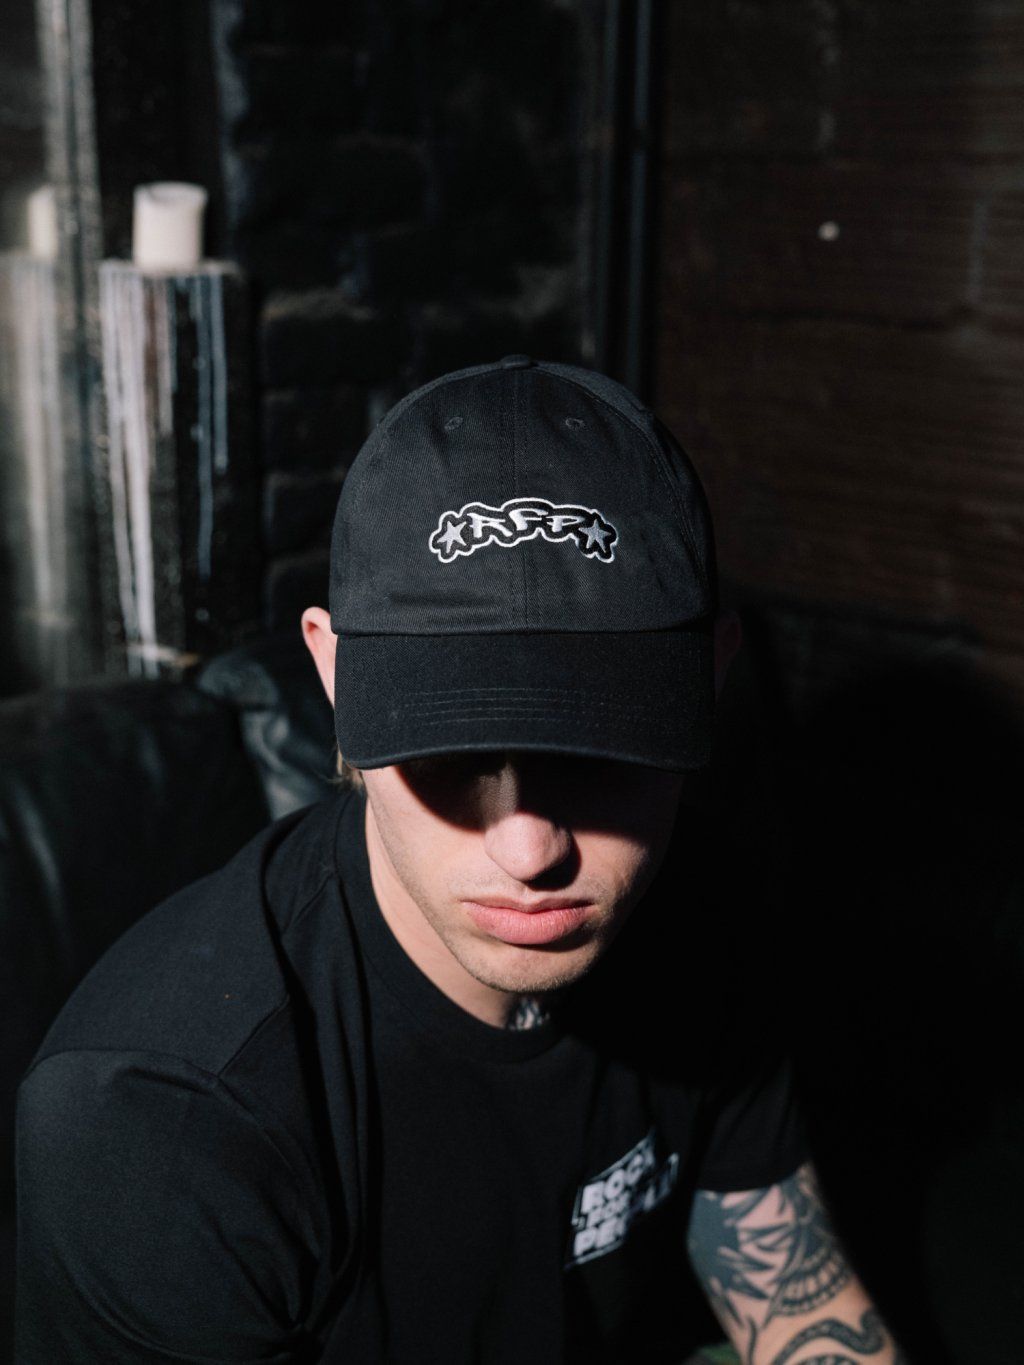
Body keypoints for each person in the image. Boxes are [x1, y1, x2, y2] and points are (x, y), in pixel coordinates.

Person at [15, 356, 904, 1363]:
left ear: (710, 679)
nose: (531, 849)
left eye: (601, 754)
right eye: (452, 752)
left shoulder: (702, 903)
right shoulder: (157, 1123)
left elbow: (793, 1298)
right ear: (333, 673)